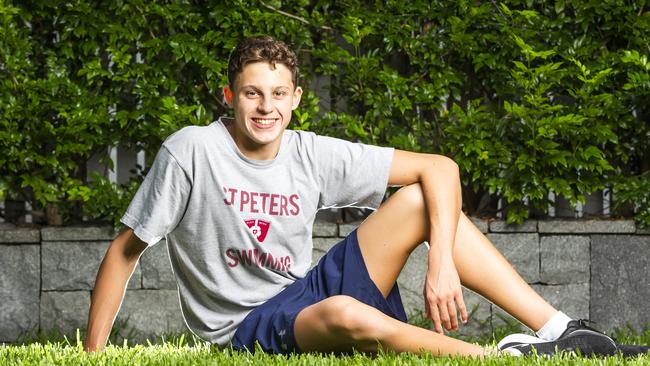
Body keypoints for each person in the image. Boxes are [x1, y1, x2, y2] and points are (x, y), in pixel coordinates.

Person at [84, 35, 648, 357]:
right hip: (245, 329)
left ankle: (559, 331)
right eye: (252, 93)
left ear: (297, 98)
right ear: (228, 95)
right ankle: (499, 358)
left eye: (278, 94)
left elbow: (440, 168)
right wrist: (94, 355)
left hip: (301, 291)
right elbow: (123, 253)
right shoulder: (191, 152)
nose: (265, 107)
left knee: (421, 200)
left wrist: (442, 264)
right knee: (341, 311)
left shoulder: (306, 151)